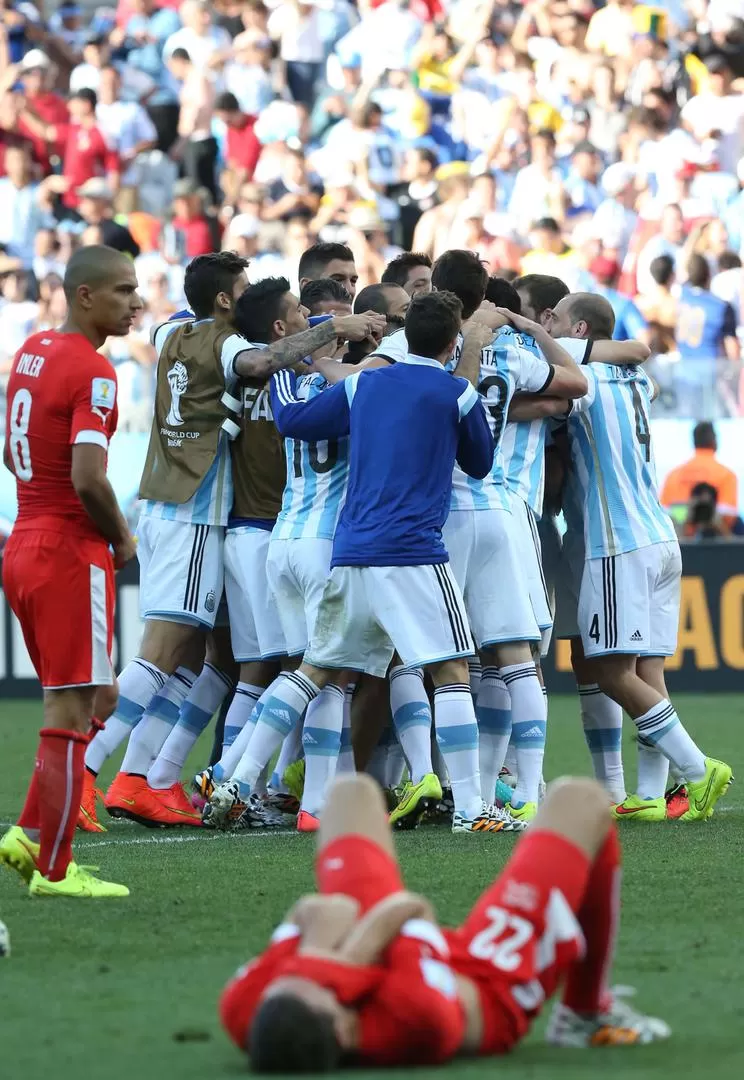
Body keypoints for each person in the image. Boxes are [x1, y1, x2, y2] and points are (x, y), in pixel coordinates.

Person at [204, 291, 518, 836]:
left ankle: (236, 778)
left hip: (349, 550)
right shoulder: (454, 393)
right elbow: (481, 463)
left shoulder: (361, 384)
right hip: (413, 552)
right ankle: (472, 809)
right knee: (450, 672)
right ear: (450, 344)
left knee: (313, 671)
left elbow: (299, 424)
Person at [220, 772, 670, 1071]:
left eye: (301, 970)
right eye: (327, 983)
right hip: (489, 981)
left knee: (349, 793)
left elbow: (328, 913)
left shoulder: (248, 1010)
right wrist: (344, 954)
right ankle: (584, 1013)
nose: (314, 970)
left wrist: (331, 957)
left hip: (384, 940)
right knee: (582, 800)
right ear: (343, 1028)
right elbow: (409, 911)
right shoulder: (416, 1019)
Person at [192, 281, 387, 826]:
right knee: (327, 674)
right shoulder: (358, 386)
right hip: (328, 543)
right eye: (305, 313)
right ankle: (264, 783)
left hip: (285, 539)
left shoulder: (280, 378)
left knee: (309, 669)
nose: (311, 319)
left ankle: (262, 783)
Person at [548, 292, 732, 822]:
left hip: (617, 542)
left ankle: (696, 770)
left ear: (579, 331)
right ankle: (649, 796)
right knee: (648, 669)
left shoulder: (585, 382)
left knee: (609, 672)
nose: (548, 326)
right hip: (660, 537)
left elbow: (558, 379)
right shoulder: (636, 381)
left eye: (556, 319)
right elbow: (638, 355)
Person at [0, 245, 140, 898]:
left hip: (24, 540)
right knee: (72, 700)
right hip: (68, 549)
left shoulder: (31, 352)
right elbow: (89, 477)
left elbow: (11, 450)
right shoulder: (95, 370)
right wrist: (122, 535)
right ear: (85, 296)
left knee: (96, 696)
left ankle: (29, 832)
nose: (135, 303)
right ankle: (54, 868)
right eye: (122, 291)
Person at [675, 253, 740, 418]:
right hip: (710, 379)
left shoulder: (682, 297)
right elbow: (733, 353)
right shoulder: (721, 307)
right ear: (709, 275)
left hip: (683, 375)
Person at [660, 420, 739, 532]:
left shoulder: (673, 475)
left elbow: (665, 515)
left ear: (694, 442)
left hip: (680, 542)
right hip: (716, 543)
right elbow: (728, 518)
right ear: (714, 441)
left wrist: (686, 519)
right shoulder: (727, 475)